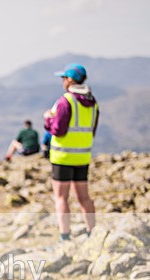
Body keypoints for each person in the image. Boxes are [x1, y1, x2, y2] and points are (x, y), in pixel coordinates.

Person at [44, 63, 99, 242]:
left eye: (63, 78)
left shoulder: (65, 101)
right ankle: (93, 233)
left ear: (69, 80)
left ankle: (64, 237)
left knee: (61, 198)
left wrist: (47, 120)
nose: (62, 81)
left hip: (62, 156)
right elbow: (92, 129)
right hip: (82, 156)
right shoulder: (93, 103)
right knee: (84, 197)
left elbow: (58, 130)